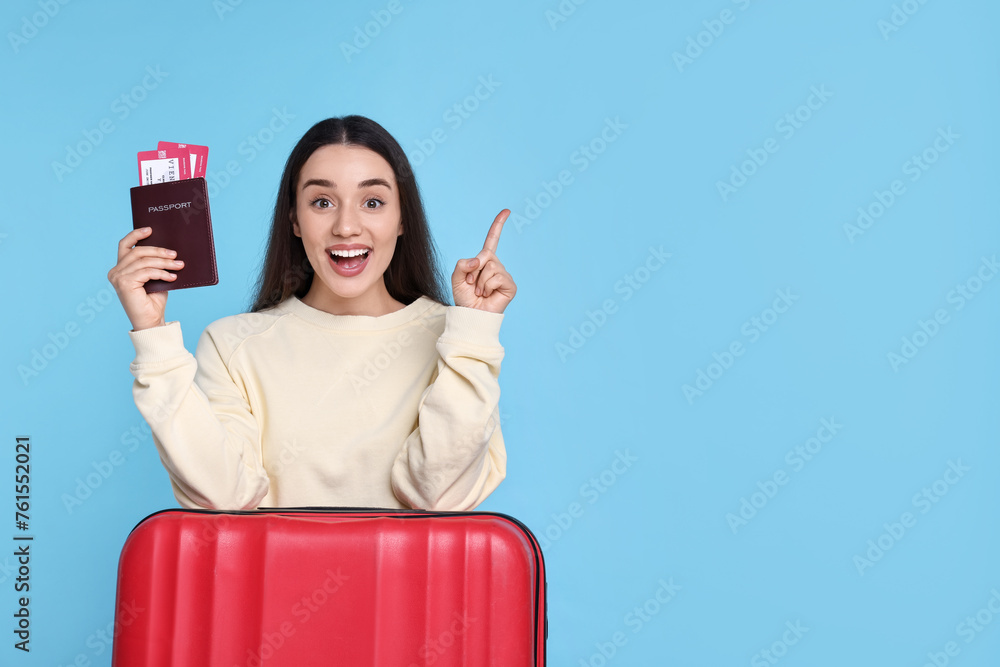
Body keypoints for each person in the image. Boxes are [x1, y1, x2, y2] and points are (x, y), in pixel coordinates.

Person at [107, 115, 516, 512]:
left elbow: (437, 496)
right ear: (295, 220)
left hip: (411, 584)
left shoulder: (457, 338)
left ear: (402, 219)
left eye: (372, 202)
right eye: (322, 202)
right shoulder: (232, 344)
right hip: (272, 583)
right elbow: (227, 496)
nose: (346, 226)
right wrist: (153, 334)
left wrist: (474, 331)